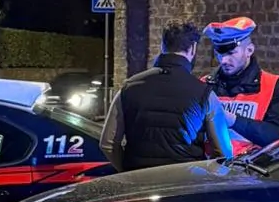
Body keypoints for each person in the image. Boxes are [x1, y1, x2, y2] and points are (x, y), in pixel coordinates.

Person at [100, 21, 234, 171]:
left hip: (139, 179)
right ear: (193, 48)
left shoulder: (128, 87)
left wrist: (127, 172)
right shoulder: (205, 94)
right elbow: (224, 153)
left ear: (162, 46)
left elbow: (108, 143)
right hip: (185, 180)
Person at [201, 16, 279, 155]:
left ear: (249, 50)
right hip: (209, 166)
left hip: (252, 167)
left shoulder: (273, 85)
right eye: (219, 53)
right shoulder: (204, 85)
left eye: (231, 53)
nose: (224, 60)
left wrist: (234, 121)